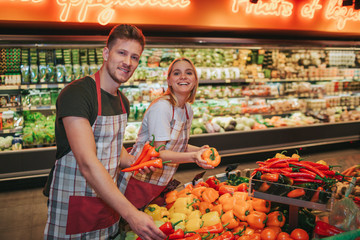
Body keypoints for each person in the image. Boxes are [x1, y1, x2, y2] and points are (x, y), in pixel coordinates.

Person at [44, 24, 166, 240]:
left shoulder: (123, 101)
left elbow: (111, 144)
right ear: (106, 53)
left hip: (108, 203)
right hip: (76, 205)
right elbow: (87, 163)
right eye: (122, 53)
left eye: (135, 57)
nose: (128, 62)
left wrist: (134, 163)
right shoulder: (79, 94)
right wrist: (131, 214)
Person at [118, 57, 215, 209]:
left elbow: (178, 145)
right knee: (130, 225)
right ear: (169, 81)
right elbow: (158, 153)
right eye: (177, 73)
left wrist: (201, 151)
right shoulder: (162, 107)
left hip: (161, 180)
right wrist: (193, 157)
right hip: (140, 179)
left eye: (188, 73)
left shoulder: (187, 110)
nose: (183, 76)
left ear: (195, 80)